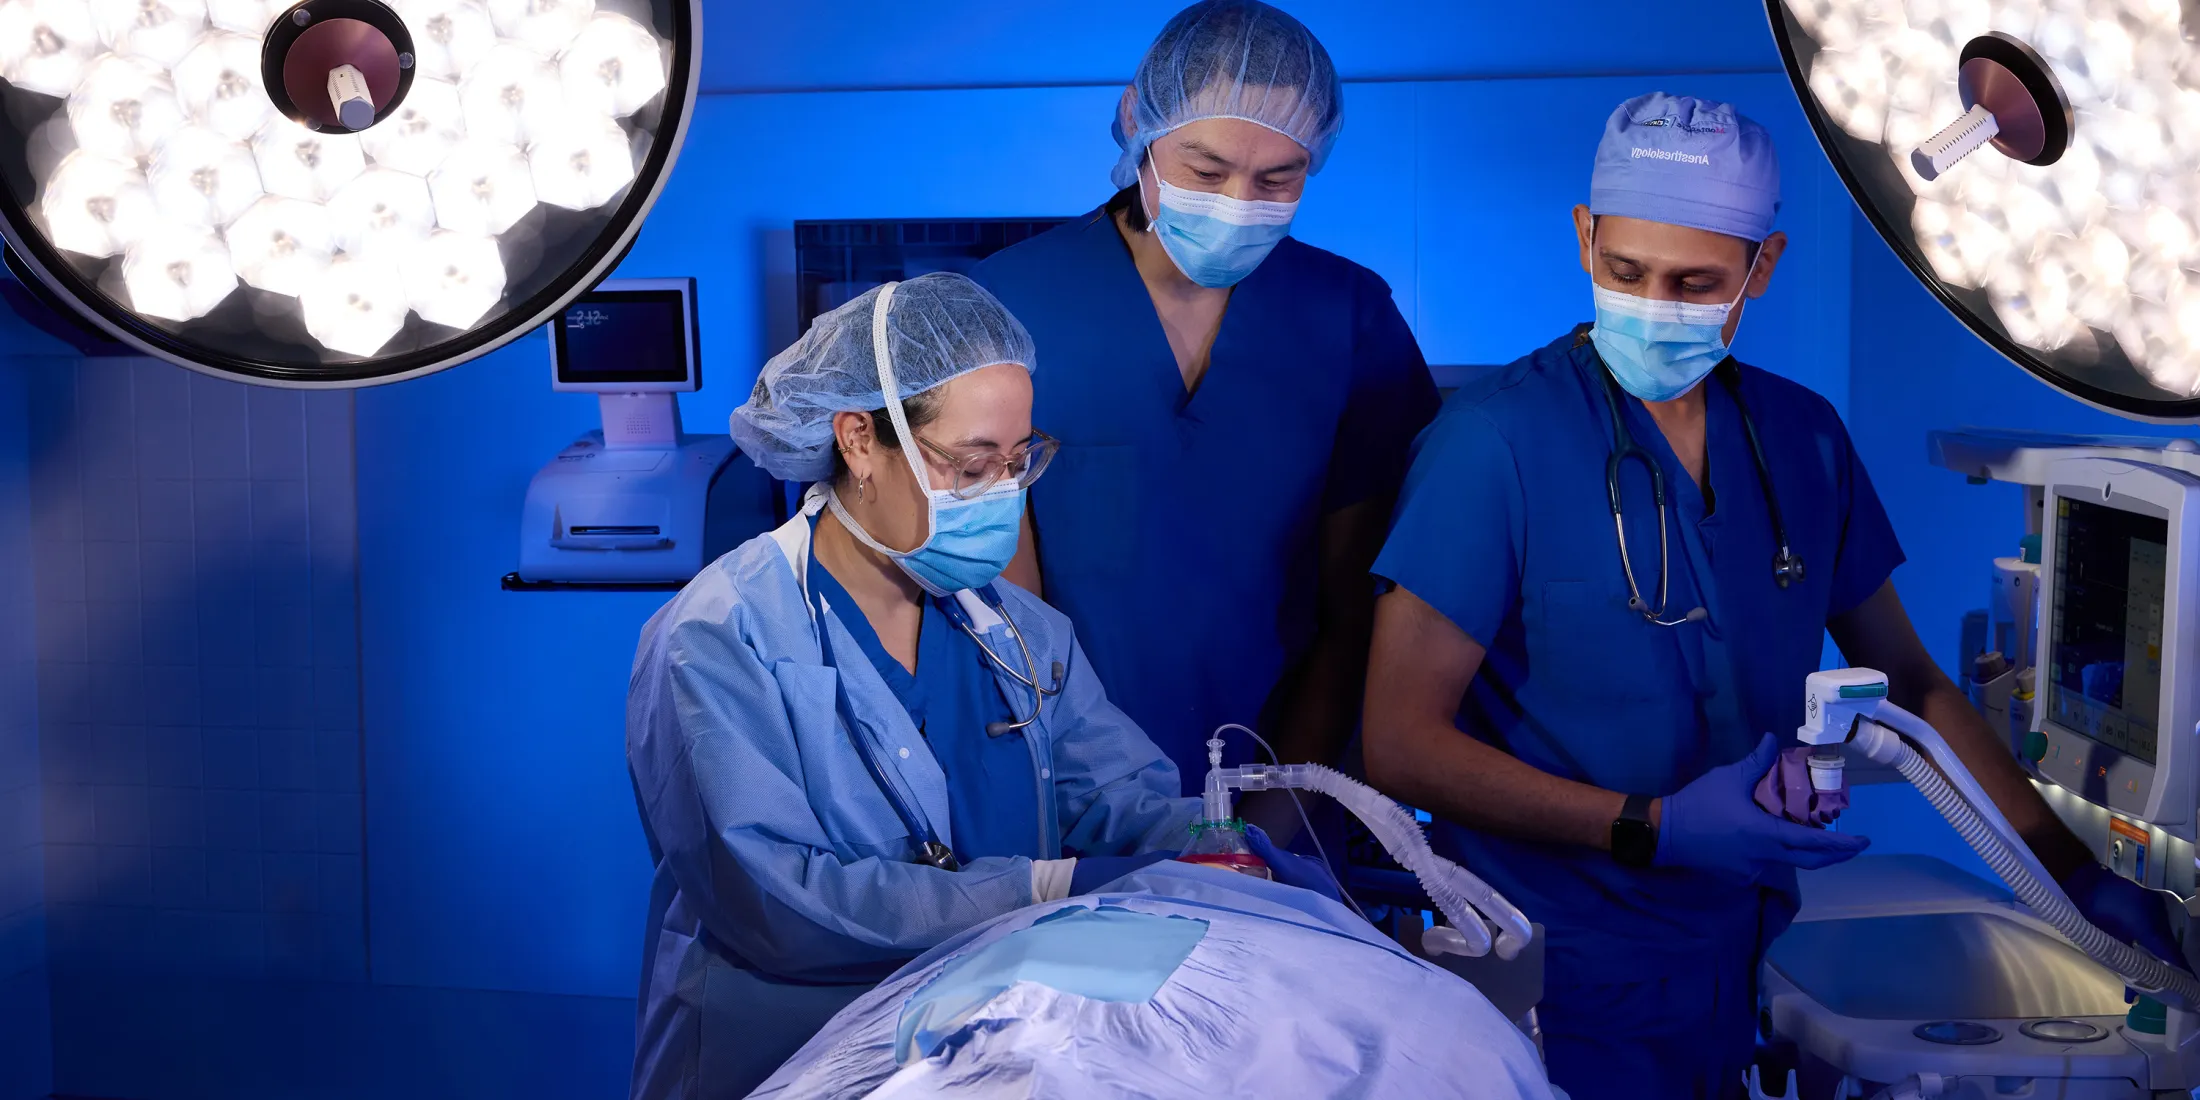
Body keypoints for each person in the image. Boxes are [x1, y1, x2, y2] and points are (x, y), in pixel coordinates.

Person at [1360, 93, 2188, 1099]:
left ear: (1763, 267)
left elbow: (1916, 690)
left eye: (1695, 280)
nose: (1655, 302)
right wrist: (1650, 823)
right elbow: (1398, 740)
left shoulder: (1800, 441)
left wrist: (2076, 873)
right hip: (1542, 975)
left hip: (1734, 960)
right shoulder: (1491, 445)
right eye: (1625, 271)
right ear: (1584, 236)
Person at [625, 273, 1335, 1100]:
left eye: (1017, 461)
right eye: (970, 465)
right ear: (858, 441)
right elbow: (774, 904)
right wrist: (1041, 888)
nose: (1001, 494)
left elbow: (1113, 801)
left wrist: (1213, 846)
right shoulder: (720, 636)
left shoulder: (1019, 634)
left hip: (980, 1054)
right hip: (783, 1055)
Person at [972, 0, 1439, 821]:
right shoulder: (1009, 306)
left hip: (1283, 778)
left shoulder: (1347, 315)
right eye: (1205, 169)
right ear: (1136, 126)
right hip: (1057, 786)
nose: (1236, 202)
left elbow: (1357, 606)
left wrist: (1274, 831)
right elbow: (1003, 619)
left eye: (1276, 178)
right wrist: (1077, 815)